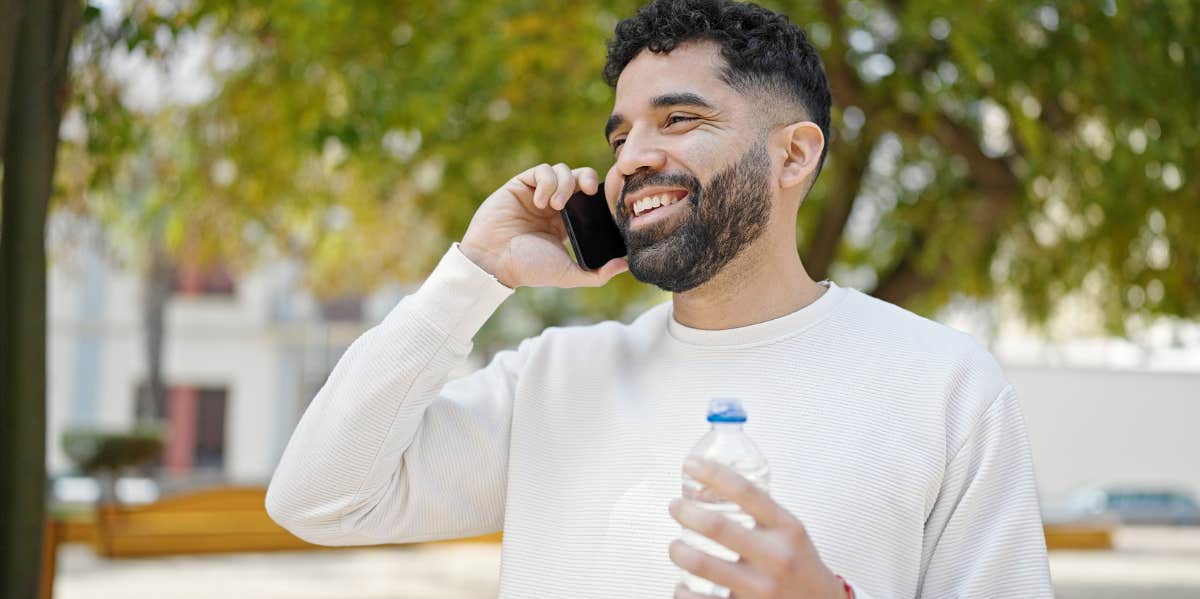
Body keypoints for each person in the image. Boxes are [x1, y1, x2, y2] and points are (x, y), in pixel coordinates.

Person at [265, 1, 1053, 597]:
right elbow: (320, 498)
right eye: (620, 136)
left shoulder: (944, 384)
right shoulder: (552, 378)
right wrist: (475, 273)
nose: (634, 158)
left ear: (793, 156)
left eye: (678, 119)